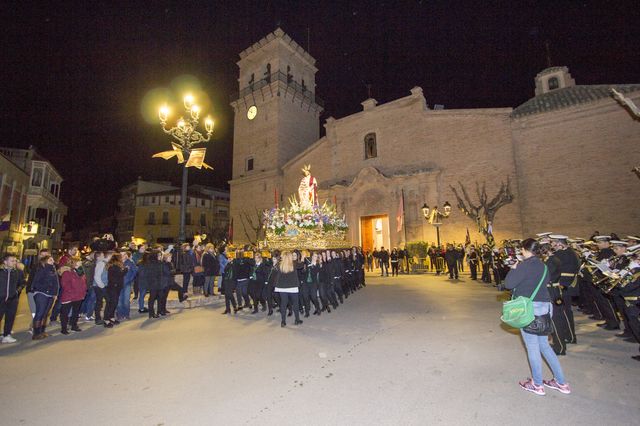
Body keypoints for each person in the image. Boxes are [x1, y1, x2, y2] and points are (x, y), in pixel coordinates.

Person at [504, 238, 570, 396]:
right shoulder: (544, 266)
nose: (521, 252)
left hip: (530, 309)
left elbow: (508, 284)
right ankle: (561, 382)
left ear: (526, 250)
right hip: (545, 307)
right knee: (545, 346)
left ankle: (537, 384)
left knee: (532, 347)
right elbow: (546, 281)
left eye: (522, 249)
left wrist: (513, 268)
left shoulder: (524, 266)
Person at [31, 256, 59, 340]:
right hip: (41, 294)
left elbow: (56, 283)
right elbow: (36, 283)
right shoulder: (41, 269)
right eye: (50, 260)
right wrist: (46, 289)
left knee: (45, 313)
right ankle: (36, 333)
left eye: (53, 259)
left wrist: (55, 293)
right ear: (45, 261)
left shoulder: (52, 269)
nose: (53, 261)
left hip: (50, 294)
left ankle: (42, 331)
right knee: (40, 313)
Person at [58, 257, 87, 334]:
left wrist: (83, 292)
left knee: (75, 312)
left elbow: (84, 283)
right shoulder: (67, 272)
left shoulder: (81, 272)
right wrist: (72, 292)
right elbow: (65, 285)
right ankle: (64, 328)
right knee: (65, 313)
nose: (81, 264)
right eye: (79, 263)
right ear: (73, 264)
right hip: (69, 296)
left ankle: (74, 325)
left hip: (79, 296)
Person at [0, 253, 23, 343]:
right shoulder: (1, 272)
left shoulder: (18, 272)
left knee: (10, 318)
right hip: (0, 299)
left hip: (13, 299)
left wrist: (17, 291)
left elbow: (22, 283)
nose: (14, 262)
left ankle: (7, 335)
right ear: (5, 262)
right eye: (12, 261)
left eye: (15, 261)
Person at [275, 251, 302, 327]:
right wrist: (302, 258)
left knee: (283, 304)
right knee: (295, 303)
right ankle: (297, 320)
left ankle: (283, 321)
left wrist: (280, 259)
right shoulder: (294, 263)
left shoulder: (279, 264)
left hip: (282, 287)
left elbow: (276, 267)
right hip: (293, 286)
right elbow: (301, 265)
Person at [104, 253, 127, 328]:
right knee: (111, 303)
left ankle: (111, 317)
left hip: (116, 286)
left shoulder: (115, 265)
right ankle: (106, 319)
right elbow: (119, 274)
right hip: (113, 286)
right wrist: (126, 269)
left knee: (114, 302)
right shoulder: (113, 266)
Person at [116, 250, 138, 321]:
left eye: (124, 254)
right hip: (118, 284)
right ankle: (119, 314)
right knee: (119, 300)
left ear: (126, 255)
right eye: (121, 254)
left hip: (127, 284)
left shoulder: (130, 262)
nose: (123, 256)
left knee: (126, 300)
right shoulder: (116, 263)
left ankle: (126, 314)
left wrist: (130, 279)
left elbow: (135, 271)